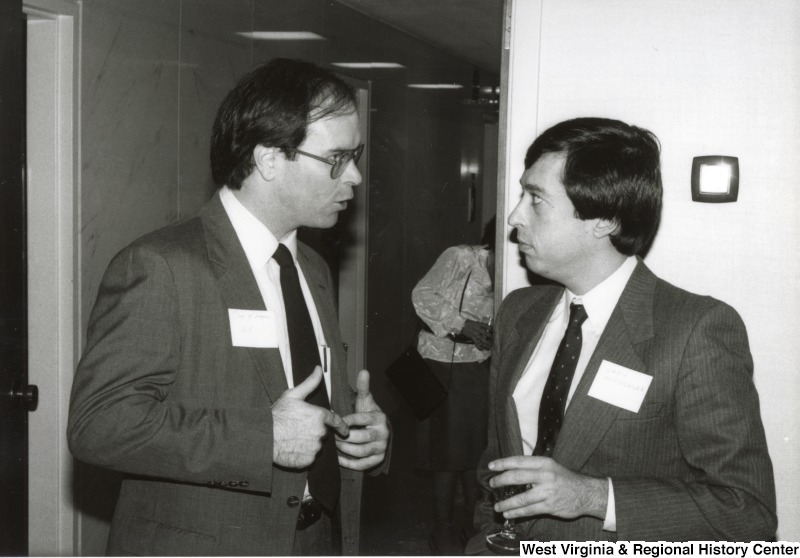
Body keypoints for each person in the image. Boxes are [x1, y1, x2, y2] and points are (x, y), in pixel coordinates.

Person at [67, 58, 390, 556]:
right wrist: (264, 440)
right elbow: (99, 426)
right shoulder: (162, 266)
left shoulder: (313, 270)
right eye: (337, 158)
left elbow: (282, 388)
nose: (356, 177)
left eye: (356, 155)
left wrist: (354, 430)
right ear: (268, 160)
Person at [466, 117, 776, 548]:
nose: (515, 216)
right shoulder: (518, 313)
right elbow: (496, 464)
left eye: (535, 199)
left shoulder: (695, 330)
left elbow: (747, 512)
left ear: (604, 219)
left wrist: (593, 496)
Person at [412, 219, 495, 554]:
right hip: (440, 363)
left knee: (476, 451)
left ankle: (470, 525)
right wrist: (462, 324)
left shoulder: (517, 269)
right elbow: (422, 294)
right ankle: (442, 528)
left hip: (479, 366)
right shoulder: (462, 257)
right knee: (445, 453)